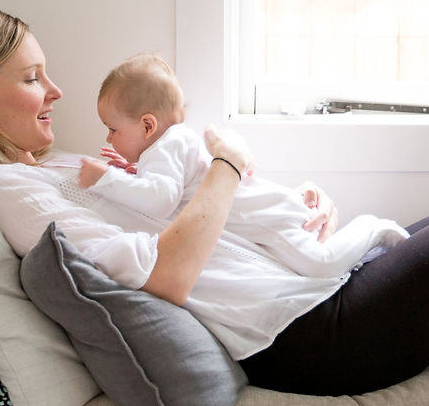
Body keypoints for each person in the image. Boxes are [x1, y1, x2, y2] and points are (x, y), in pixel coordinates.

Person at [0, 3, 429, 397]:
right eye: (32, 77)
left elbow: (187, 220)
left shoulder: (62, 168)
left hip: (310, 298)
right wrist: (227, 163)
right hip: (314, 337)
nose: (54, 92)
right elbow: (166, 275)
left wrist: (286, 212)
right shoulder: (2, 187)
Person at [77, 53, 408, 278]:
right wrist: (134, 171)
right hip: (262, 221)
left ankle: (373, 227)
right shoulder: (170, 146)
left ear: (148, 126)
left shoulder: (170, 144)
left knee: (319, 265)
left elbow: (161, 199)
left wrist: (105, 178)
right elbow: (171, 187)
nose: (108, 139)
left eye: (113, 129)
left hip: (269, 217)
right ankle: (370, 250)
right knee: (311, 268)